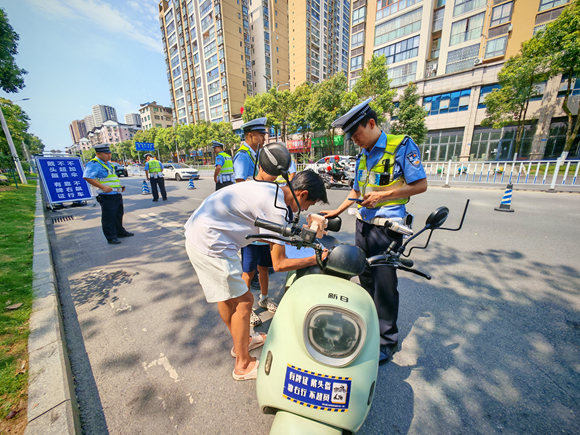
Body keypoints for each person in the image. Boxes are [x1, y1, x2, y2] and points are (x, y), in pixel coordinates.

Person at [184, 168, 328, 380]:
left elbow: (275, 237)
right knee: (244, 301)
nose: (307, 209)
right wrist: (316, 258)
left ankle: (242, 341)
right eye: (310, 204)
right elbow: (279, 264)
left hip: (203, 233)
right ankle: (242, 364)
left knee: (227, 296)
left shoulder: (272, 189)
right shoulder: (276, 209)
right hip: (212, 244)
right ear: (302, 194)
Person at [321, 98, 427, 365]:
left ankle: (387, 340)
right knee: (365, 277)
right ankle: (369, 327)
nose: (355, 141)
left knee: (385, 286)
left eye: (357, 135)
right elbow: (357, 191)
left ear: (371, 124)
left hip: (386, 229)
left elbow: (421, 185)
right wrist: (335, 211)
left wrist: (384, 195)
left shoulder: (401, 145)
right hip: (363, 225)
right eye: (352, 138)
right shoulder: (363, 155)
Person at [233, 117, 274, 326]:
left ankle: (264, 298)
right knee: (248, 270)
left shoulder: (256, 154)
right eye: (261, 135)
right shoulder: (243, 156)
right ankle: (246, 309)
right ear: (251, 135)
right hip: (251, 223)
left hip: (263, 220)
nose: (264, 138)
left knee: (264, 267)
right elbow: (241, 186)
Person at [83, 144, 134, 244]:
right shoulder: (94, 164)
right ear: (98, 154)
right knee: (109, 216)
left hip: (115, 193)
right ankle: (111, 237)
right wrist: (102, 187)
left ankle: (120, 232)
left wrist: (119, 187)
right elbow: (87, 177)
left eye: (109, 153)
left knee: (118, 214)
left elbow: (110, 178)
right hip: (106, 195)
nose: (109, 155)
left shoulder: (107, 164)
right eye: (106, 153)